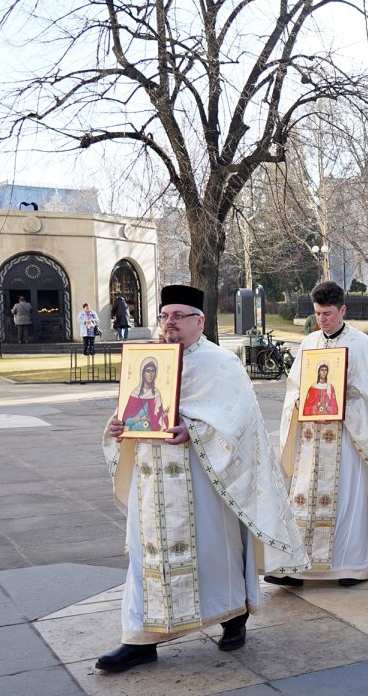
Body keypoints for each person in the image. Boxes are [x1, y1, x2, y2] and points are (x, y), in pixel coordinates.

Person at [96, 285, 306, 673]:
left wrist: (194, 429)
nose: (169, 323)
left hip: (204, 480)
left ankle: (233, 616)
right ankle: (140, 638)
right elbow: (132, 410)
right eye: (164, 316)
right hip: (152, 478)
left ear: (199, 321)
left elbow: (240, 420)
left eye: (178, 316)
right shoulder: (148, 359)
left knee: (214, 552)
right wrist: (117, 427)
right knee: (147, 558)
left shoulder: (220, 363)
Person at [268, 280, 368, 589]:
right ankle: (297, 566)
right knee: (303, 499)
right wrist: (297, 402)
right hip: (312, 440)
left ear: (343, 310)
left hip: (348, 438)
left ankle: (352, 567)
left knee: (348, 501)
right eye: (319, 314)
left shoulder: (360, 344)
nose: (323, 320)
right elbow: (296, 386)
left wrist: (344, 403)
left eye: (329, 313)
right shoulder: (309, 343)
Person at [120, 357, 169, 432]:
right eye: (148, 371)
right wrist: (141, 418)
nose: (150, 374)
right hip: (135, 435)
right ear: (142, 373)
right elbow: (124, 422)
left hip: (151, 435)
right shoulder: (135, 394)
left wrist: (164, 416)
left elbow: (159, 421)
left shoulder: (156, 394)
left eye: (153, 371)